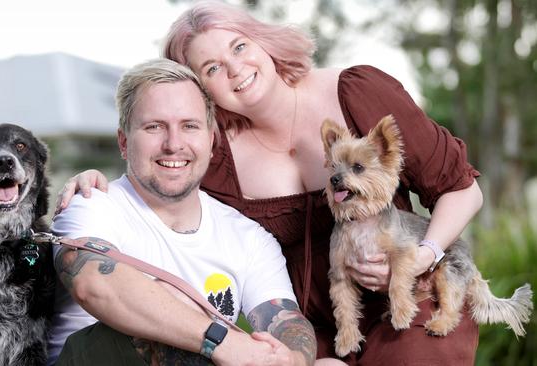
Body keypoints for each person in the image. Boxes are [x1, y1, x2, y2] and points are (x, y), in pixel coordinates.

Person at [56, 1, 483, 364]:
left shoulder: (358, 93)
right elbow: (164, 173)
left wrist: (423, 257)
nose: (236, 69)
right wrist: (96, 181)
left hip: (406, 293)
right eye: (212, 67)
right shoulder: (217, 152)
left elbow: (461, 188)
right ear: (202, 91)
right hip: (307, 325)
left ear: (263, 42)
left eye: (240, 46)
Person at [48, 58, 344, 366]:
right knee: (174, 301)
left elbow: (287, 323)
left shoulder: (247, 236)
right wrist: (223, 342)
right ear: (124, 142)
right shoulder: (92, 202)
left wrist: (291, 358)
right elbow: (93, 283)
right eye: (154, 127)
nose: (174, 144)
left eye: (189, 126)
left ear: (212, 140)